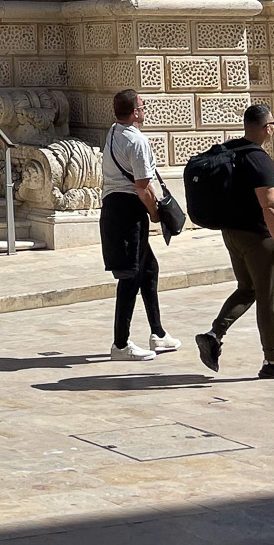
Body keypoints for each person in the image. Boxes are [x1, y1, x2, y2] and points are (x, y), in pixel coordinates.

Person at [195, 104, 274, 381]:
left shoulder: (232, 151)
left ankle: (214, 335)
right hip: (258, 238)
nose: (273, 128)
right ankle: (272, 360)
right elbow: (270, 206)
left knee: (247, 289)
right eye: (273, 124)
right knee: (269, 299)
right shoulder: (259, 159)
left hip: (232, 234)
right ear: (267, 127)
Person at [99, 89, 179, 363]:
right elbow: (143, 187)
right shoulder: (137, 141)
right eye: (142, 106)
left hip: (112, 207)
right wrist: (156, 214)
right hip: (129, 211)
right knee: (129, 276)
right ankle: (120, 345)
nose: (144, 110)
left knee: (149, 269)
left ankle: (158, 333)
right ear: (135, 112)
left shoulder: (112, 131)